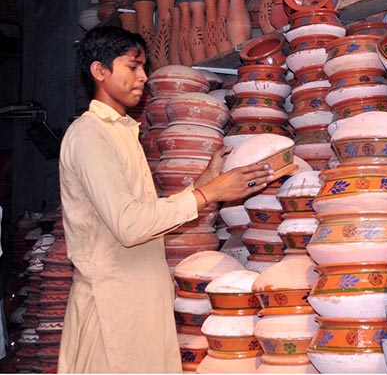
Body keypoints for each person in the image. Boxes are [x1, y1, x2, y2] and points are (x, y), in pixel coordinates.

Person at [57, 26, 273, 373]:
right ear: (100, 71)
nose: (143, 77)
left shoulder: (123, 132)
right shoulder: (89, 135)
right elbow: (130, 225)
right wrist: (210, 193)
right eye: (132, 66)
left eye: (144, 68)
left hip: (139, 302)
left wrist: (206, 181)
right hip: (112, 309)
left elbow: (143, 214)